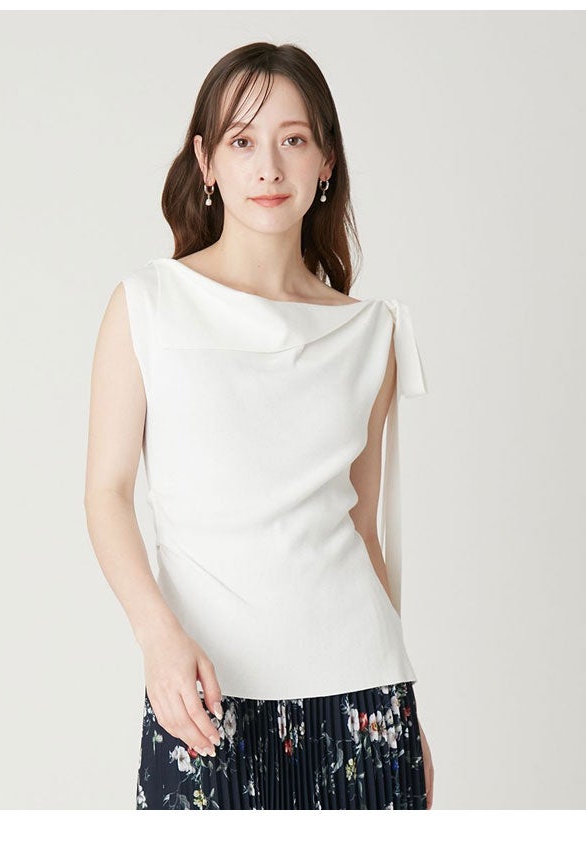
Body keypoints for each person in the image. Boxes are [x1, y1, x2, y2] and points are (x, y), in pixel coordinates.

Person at [84, 41, 434, 810]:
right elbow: (107, 493)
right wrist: (156, 636)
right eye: (242, 142)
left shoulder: (371, 330)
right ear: (206, 162)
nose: (268, 167)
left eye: (293, 139)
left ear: (326, 159)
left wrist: (406, 706)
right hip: (205, 694)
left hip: (365, 701)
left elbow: (362, 531)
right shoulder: (147, 304)